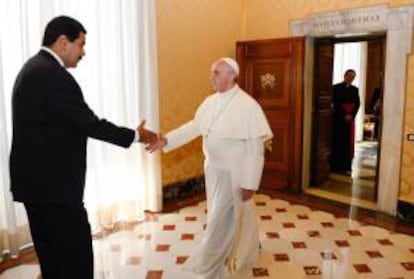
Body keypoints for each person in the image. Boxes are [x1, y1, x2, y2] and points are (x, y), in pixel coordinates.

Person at [9, 16, 156, 279]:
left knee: (53, 259)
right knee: (74, 261)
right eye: (81, 44)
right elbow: (90, 124)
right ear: (63, 42)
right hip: (55, 192)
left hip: (37, 187)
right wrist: (137, 135)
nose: (83, 52)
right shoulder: (53, 76)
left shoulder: (33, 68)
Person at [147, 57, 273, 278]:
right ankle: (248, 246)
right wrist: (167, 140)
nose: (211, 77)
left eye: (216, 72)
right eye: (212, 72)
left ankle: (211, 265)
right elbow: (194, 126)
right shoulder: (210, 101)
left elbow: (255, 149)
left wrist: (250, 183)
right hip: (213, 170)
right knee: (231, 214)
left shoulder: (248, 105)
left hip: (234, 173)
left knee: (220, 220)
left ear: (232, 75)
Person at [330, 69, 360, 174]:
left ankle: (347, 166)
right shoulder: (336, 88)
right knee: (337, 142)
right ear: (344, 76)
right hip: (338, 119)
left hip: (349, 120)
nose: (350, 79)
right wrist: (344, 114)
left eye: (353, 77)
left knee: (348, 143)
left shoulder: (355, 89)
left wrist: (351, 115)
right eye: (349, 76)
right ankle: (335, 166)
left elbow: (357, 104)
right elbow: (335, 103)